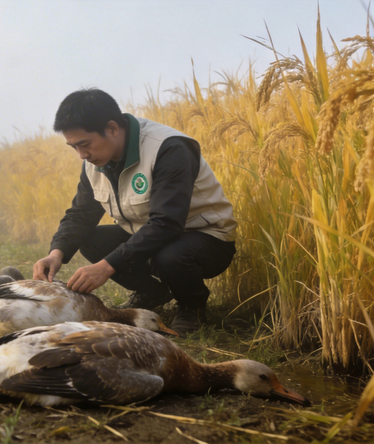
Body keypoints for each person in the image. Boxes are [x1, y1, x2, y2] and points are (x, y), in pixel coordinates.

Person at [32, 88, 237, 334]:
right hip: (149, 236)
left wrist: (106, 266)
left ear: (112, 128)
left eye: (84, 144)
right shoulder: (93, 162)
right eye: (73, 147)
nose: (81, 155)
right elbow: (80, 215)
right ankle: (152, 292)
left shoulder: (169, 148)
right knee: (88, 239)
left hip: (206, 238)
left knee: (170, 256)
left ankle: (191, 306)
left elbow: (166, 224)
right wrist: (56, 253)